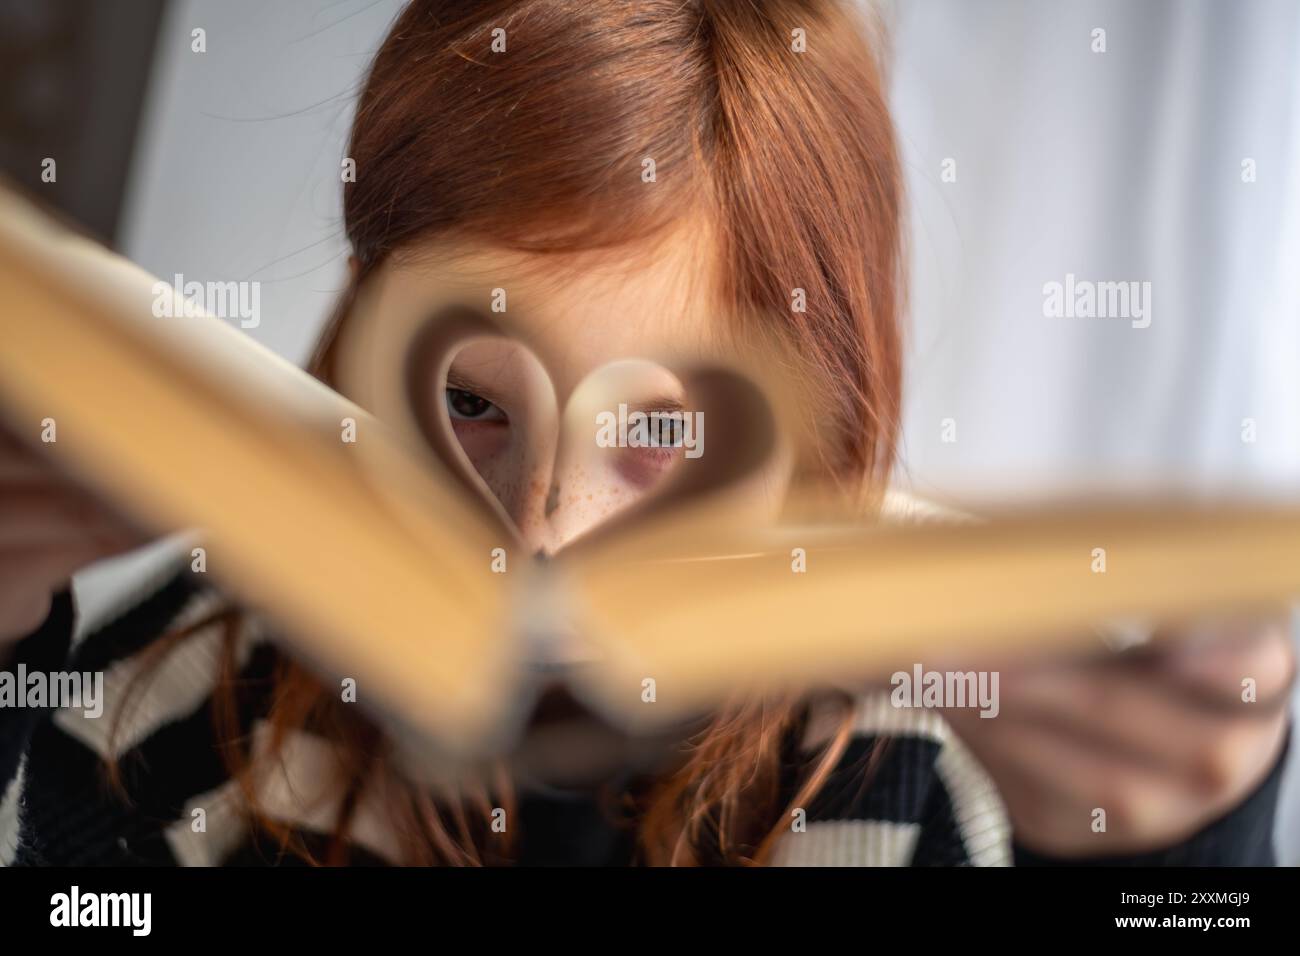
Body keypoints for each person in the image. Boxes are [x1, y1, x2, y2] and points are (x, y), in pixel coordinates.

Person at [0, 0, 1291, 866]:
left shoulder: (904, 775)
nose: (542, 531)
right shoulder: (168, 701)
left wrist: (1187, 848)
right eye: (472, 405)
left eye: (660, 431)